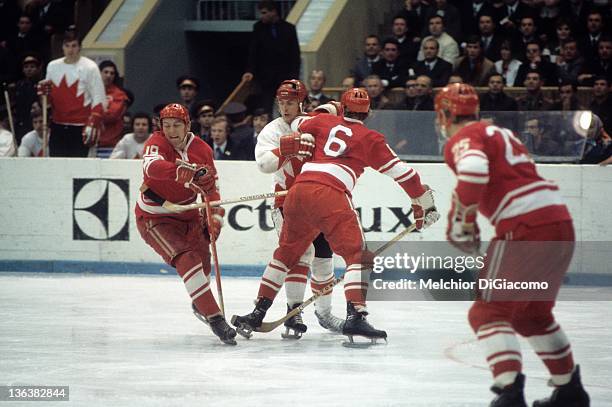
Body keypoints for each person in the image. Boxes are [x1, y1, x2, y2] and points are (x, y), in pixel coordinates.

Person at [233, 87, 440, 343]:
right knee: (357, 255)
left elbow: (298, 121)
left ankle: (258, 312)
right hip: (331, 193)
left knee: (286, 254)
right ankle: (356, 316)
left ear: (342, 107)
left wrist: (326, 110)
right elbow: (405, 174)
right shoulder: (370, 137)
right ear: (369, 112)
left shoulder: (318, 121)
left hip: (297, 193)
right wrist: (423, 203)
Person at [435, 83, 589, 406]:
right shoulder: (500, 133)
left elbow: (475, 169)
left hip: (525, 227)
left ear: (445, 114)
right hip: (559, 223)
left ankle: (509, 392)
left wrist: (463, 221)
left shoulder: (463, 138)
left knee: (487, 312)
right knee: (532, 315)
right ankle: (569, 390)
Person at [237, 79, 346, 338]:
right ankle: (294, 311)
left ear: (302, 103)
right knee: (299, 255)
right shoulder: (272, 131)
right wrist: (285, 149)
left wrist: (330, 109)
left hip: (320, 201)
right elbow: (264, 165)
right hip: (288, 203)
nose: (285, 108)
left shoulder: (313, 123)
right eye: (282, 103)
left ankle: (324, 313)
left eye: (291, 103)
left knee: (323, 258)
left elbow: (340, 113)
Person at [135, 103, 236, 345]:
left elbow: (212, 190)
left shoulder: (202, 149)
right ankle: (216, 319)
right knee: (186, 258)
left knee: (202, 264)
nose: (171, 131)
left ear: (188, 125)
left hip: (189, 216)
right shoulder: (156, 142)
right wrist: (178, 169)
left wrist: (214, 218)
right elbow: (150, 167)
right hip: (155, 218)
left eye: (176, 125)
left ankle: (201, 304)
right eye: (166, 125)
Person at [37, 31, 106, 157]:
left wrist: (94, 122)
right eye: (67, 46)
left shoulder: (90, 67)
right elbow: (48, 97)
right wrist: (43, 96)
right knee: (57, 163)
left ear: (79, 47)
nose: (70, 50)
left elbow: (98, 96)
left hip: (80, 126)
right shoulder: (53, 66)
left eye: (74, 46)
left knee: (79, 166)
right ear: (62, 47)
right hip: (58, 125)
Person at [243, 0, 300, 114]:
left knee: (286, 106)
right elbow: (253, 52)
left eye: (264, 13)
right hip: (266, 78)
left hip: (285, 77)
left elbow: (294, 55)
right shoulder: (258, 27)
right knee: (266, 107)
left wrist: (293, 78)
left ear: (273, 12)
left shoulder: (288, 28)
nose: (262, 16)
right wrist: (250, 71)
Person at [98, 60, 128, 158]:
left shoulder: (119, 95)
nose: (108, 75)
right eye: (105, 72)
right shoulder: (89, 91)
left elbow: (111, 116)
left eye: (112, 73)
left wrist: (93, 113)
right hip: (90, 142)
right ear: (99, 73)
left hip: (111, 143)